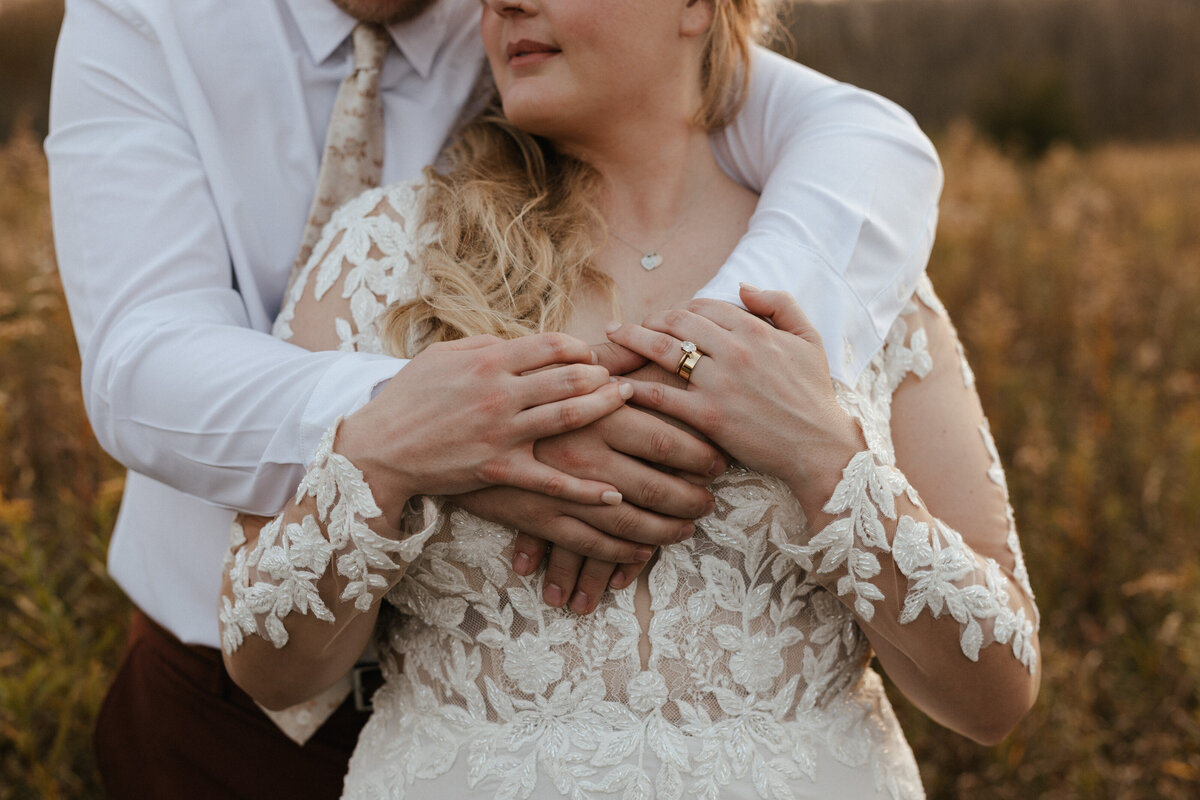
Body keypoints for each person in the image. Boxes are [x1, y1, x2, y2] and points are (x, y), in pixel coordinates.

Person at [47, 0, 941, 795]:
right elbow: (140, 366)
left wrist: (679, 379)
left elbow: (863, 145)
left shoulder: (522, 27)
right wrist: (449, 428)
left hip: (531, 706)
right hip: (223, 693)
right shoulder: (146, 18)